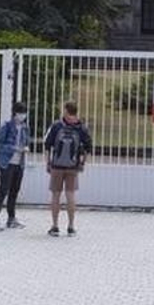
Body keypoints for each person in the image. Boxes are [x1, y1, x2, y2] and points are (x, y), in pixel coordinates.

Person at [44, 99, 93, 237]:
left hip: (57, 166)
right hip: (73, 166)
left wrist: (48, 163)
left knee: (56, 194)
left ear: (66, 110)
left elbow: (47, 145)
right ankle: (71, 227)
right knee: (70, 194)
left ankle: (55, 226)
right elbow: (88, 147)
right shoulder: (81, 127)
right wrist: (82, 163)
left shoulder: (57, 125)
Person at [0, 102, 30, 231]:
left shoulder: (25, 128)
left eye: (24, 113)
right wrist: (14, 148)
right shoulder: (6, 126)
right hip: (7, 163)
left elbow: (26, 141)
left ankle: (11, 218)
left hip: (19, 163)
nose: (22, 116)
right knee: (3, 189)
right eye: (20, 113)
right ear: (15, 113)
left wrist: (25, 148)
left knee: (14, 190)